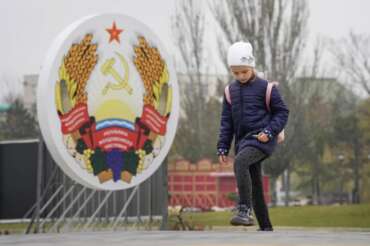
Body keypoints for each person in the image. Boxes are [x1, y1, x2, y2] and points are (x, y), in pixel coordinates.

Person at [217, 41, 289, 231]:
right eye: (236, 72)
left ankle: (244, 210)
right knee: (255, 184)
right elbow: (227, 122)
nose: (240, 76)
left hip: (262, 140)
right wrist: (223, 146)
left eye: (244, 72)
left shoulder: (267, 88)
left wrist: (269, 132)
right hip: (242, 142)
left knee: (240, 162)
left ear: (252, 67)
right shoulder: (229, 92)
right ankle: (265, 226)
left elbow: (282, 112)